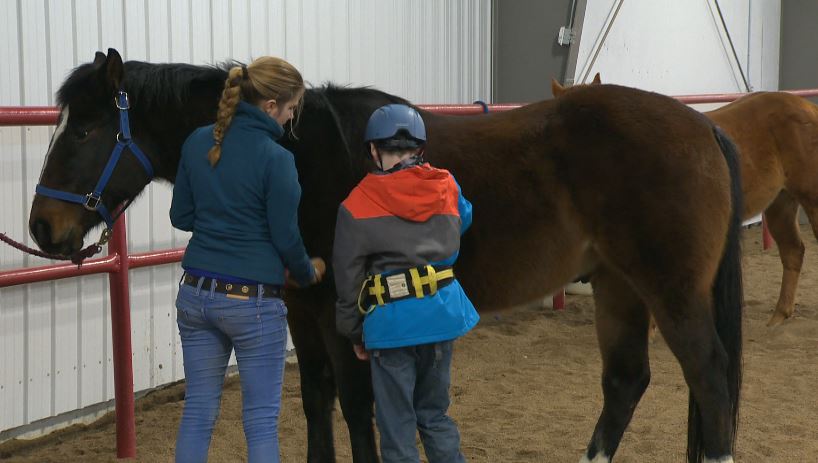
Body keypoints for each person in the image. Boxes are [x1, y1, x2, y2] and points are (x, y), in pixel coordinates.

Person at [170, 56, 325, 463]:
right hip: (252, 301)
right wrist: (309, 272)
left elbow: (181, 216)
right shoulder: (277, 159)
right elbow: (286, 237)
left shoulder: (197, 141)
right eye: (291, 108)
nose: (290, 118)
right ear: (271, 106)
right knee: (259, 420)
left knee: (198, 412)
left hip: (195, 293)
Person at [333, 104, 479, 462]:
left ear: (372, 149)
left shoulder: (356, 204)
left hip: (391, 325)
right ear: (420, 149)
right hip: (442, 316)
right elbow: (465, 217)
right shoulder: (446, 183)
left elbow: (347, 276)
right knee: (435, 415)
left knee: (396, 424)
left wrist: (354, 332)